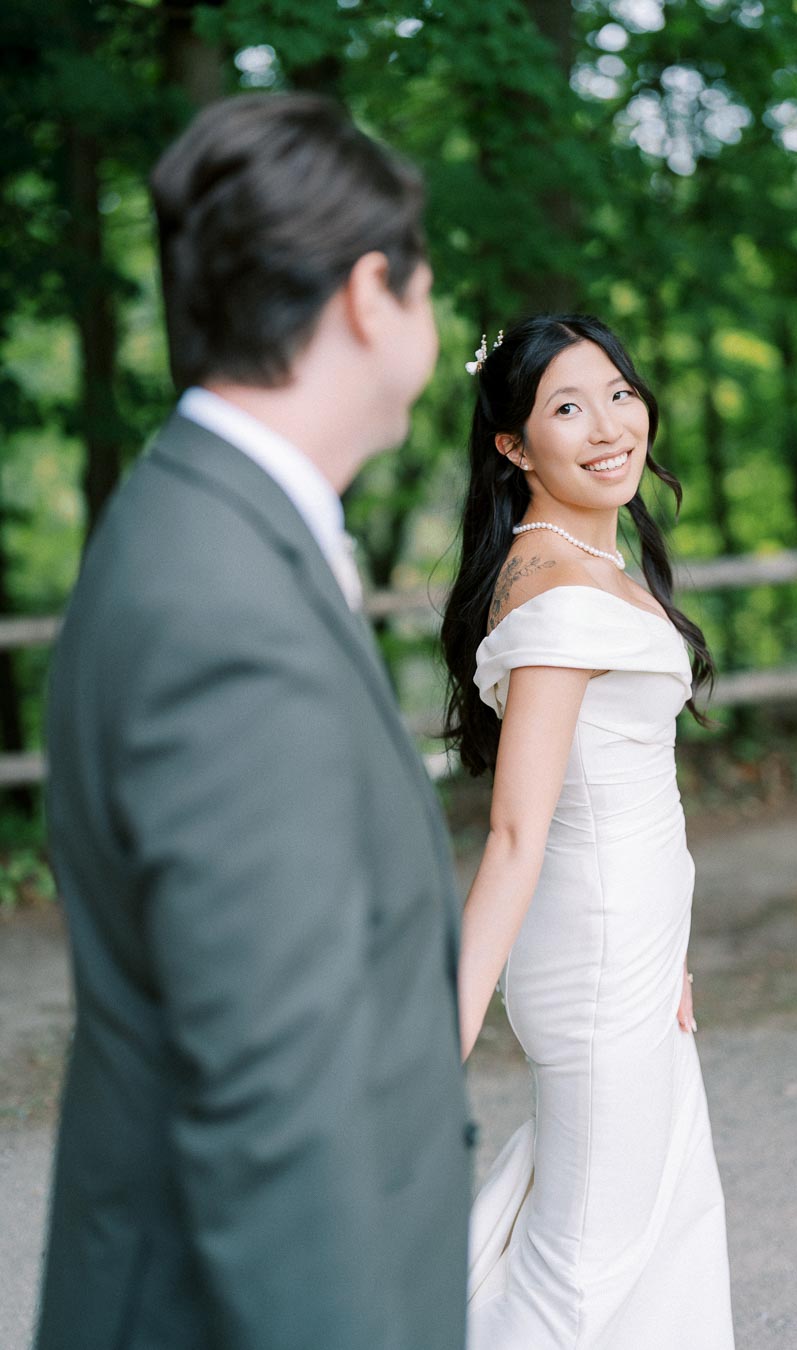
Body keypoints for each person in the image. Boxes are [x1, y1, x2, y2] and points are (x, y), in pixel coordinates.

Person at [36, 93, 473, 1350]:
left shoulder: (205, 523)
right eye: (429, 288)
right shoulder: (222, 611)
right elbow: (273, 1099)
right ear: (369, 295)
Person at [441, 314, 735, 1348]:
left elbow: (624, 790)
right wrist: (443, 1035)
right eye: (567, 406)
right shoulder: (559, 591)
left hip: (633, 945)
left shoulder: (580, 559)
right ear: (513, 447)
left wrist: (670, 949)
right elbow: (516, 836)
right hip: (601, 957)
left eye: (618, 392)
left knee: (636, 1223)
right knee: (583, 1269)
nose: (609, 424)